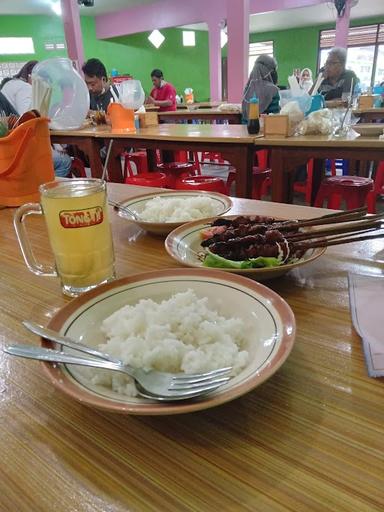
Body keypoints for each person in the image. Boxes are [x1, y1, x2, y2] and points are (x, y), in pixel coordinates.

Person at [1, 60, 71, 177]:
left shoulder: (10, 85)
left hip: (8, 149)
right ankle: (46, 191)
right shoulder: (25, 88)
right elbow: (30, 121)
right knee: (64, 161)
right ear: (33, 78)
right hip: (17, 152)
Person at [242, 55, 280, 122]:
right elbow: (275, 116)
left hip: (245, 128)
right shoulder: (273, 90)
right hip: (265, 129)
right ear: (269, 71)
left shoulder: (247, 88)